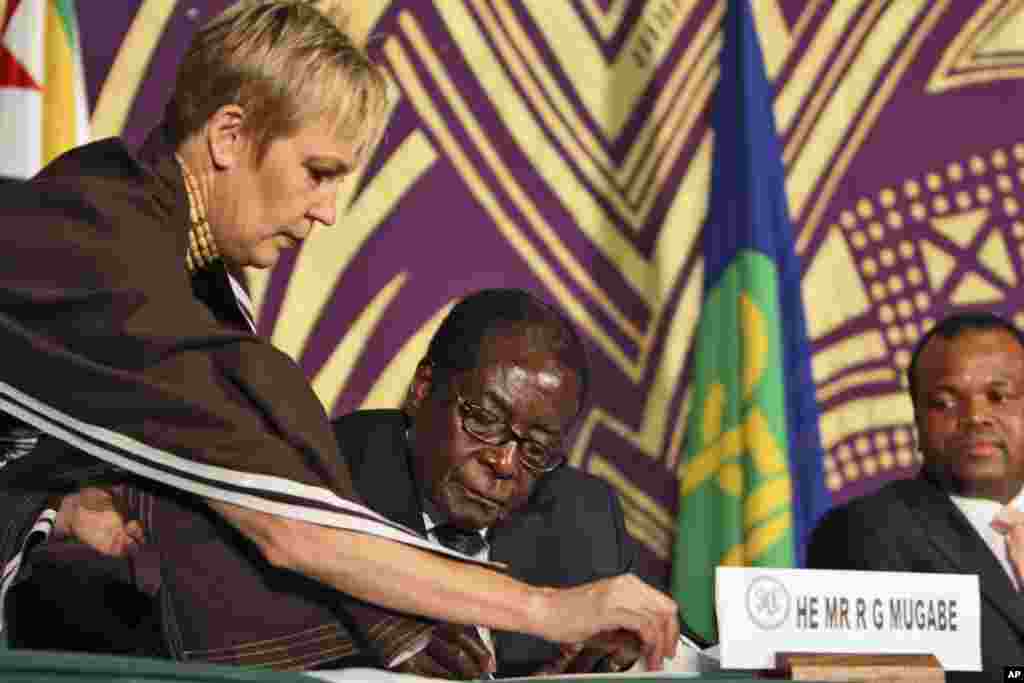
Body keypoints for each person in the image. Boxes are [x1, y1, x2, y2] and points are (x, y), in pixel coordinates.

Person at [0, 0, 678, 668]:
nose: (326, 209)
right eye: (318, 173)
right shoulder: (107, 241)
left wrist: (57, 503)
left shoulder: (159, 241)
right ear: (230, 136)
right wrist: (545, 609)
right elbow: (286, 523)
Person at [807, 312, 1024, 681]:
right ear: (918, 422)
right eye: (945, 402)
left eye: (998, 396)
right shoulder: (864, 534)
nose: (975, 416)